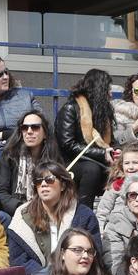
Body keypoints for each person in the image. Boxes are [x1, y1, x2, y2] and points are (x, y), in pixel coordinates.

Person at [7, 161, 101, 275]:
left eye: (49, 179)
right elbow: (19, 261)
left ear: (63, 185)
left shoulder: (84, 215)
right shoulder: (22, 217)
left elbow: (95, 255)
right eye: (38, 181)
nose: (43, 184)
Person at [56, 70, 119, 205]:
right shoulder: (71, 109)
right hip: (70, 163)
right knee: (92, 170)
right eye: (107, 89)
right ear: (99, 90)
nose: (111, 94)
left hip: (97, 161)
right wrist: (102, 153)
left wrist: (117, 151)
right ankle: (84, 213)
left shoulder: (102, 113)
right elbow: (67, 144)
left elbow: (110, 142)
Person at [0, 109, 60, 215]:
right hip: (16, 212)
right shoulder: (9, 156)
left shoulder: (54, 158)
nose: (29, 131)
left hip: (47, 211)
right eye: (24, 128)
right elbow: (0, 191)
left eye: (35, 127)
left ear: (45, 133)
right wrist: (22, 208)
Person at [93, 143, 138, 225]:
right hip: (116, 230)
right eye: (127, 163)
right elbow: (102, 213)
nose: (131, 167)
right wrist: (100, 234)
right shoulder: (116, 186)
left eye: (135, 163)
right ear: (122, 165)